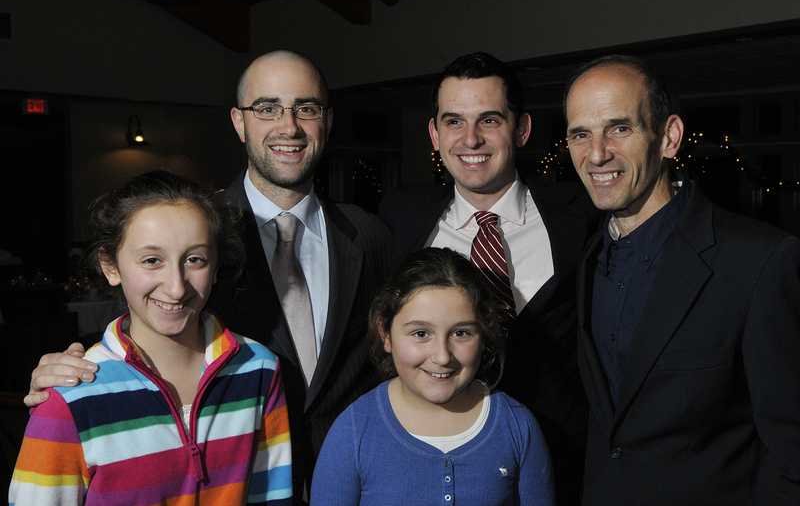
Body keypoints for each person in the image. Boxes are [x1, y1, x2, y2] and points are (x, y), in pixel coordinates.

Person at [25, 51, 392, 504]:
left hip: (349, 480)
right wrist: (69, 369)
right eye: (268, 108)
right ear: (239, 122)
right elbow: (148, 315)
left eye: (306, 108)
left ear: (328, 120)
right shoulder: (196, 230)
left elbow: (386, 356)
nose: (289, 126)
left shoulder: (370, 235)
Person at [563, 54, 800, 505]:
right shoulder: (588, 256)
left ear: (669, 137)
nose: (596, 154)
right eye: (580, 134)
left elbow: (791, 451)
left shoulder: (758, 260)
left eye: (619, 128)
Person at [379, 52, 597, 505]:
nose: (471, 139)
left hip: (563, 467)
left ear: (521, 129)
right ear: (435, 134)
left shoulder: (583, 219)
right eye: (454, 121)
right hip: (436, 467)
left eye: (489, 120)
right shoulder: (400, 218)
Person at [9, 170, 292, 505]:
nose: (176, 286)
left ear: (216, 266)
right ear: (110, 266)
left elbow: (272, 496)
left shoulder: (258, 369)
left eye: (194, 259)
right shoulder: (70, 396)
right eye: (152, 260)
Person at [310, 247, 555, 506]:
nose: (442, 356)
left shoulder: (517, 426)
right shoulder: (353, 432)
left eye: (461, 333)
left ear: (484, 335)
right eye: (420, 333)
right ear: (386, 334)